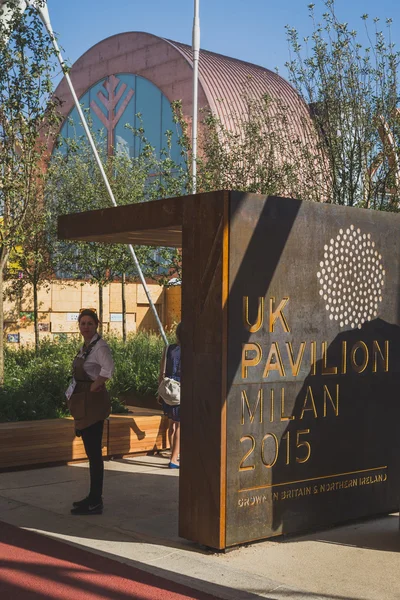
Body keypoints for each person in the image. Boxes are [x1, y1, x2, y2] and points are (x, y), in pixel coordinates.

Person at [67, 309, 114, 515]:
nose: (85, 327)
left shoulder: (100, 347)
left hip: (93, 403)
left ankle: (96, 500)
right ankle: (92, 497)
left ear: (97, 325)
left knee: (94, 453)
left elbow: (108, 369)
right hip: (83, 399)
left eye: (89, 323)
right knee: (90, 451)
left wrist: (96, 385)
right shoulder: (86, 346)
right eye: (82, 323)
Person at [158, 323, 181, 469]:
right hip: (180, 389)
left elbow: (161, 371)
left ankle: (174, 452)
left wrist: (159, 391)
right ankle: (174, 458)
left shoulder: (168, 349)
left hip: (167, 388)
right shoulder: (191, 351)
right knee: (180, 425)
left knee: (171, 423)